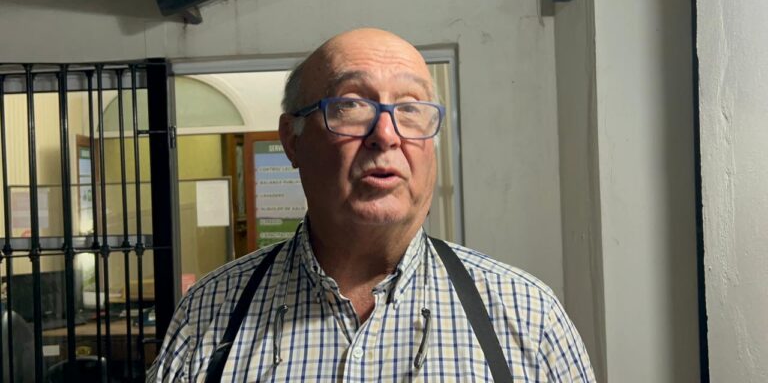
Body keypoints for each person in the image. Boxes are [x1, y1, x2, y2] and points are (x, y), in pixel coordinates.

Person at [148, 28, 595, 382]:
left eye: (411, 108)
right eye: (351, 105)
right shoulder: (211, 312)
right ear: (292, 139)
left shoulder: (526, 314)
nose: (386, 134)